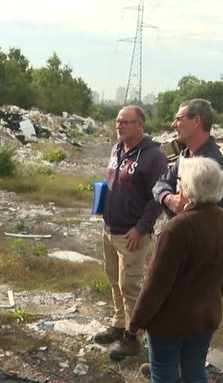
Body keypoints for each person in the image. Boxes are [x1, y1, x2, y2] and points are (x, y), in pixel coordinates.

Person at [129, 156, 223, 383]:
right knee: (194, 372)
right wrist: (211, 300)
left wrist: (137, 320)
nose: (178, 183)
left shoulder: (177, 228)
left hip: (171, 321)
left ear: (188, 186)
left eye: (180, 179)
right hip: (205, 316)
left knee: (163, 374)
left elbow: (156, 284)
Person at [95, 105, 168, 361]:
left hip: (132, 234)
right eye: (118, 121)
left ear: (140, 125)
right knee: (114, 279)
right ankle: (118, 323)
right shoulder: (117, 149)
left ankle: (132, 336)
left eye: (126, 122)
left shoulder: (153, 157)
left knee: (131, 285)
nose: (120, 125)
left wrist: (141, 228)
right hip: (110, 229)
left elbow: (157, 198)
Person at [153, 98, 223, 217]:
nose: (173, 125)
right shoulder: (185, 156)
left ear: (195, 121)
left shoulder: (214, 163)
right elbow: (162, 182)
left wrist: (189, 211)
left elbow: (219, 210)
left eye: (178, 119)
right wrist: (168, 199)